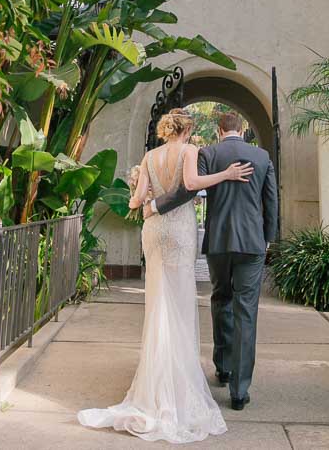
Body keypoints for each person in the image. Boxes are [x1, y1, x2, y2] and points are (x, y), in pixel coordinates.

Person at [77, 107, 254, 443]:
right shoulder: (189, 151)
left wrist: (140, 195)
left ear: (166, 129)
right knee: (181, 302)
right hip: (180, 231)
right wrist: (226, 174)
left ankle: (154, 382)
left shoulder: (149, 156)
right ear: (187, 130)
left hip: (154, 231)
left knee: (158, 301)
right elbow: (192, 184)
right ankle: (177, 382)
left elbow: (135, 202)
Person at [145, 110, 278, 411]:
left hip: (218, 241)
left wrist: (155, 205)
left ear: (219, 131)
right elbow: (271, 200)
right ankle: (239, 391)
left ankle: (223, 366)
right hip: (252, 243)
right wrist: (268, 237)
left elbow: (186, 190)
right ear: (242, 131)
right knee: (247, 311)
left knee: (221, 299)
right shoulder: (261, 156)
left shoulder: (209, 153)